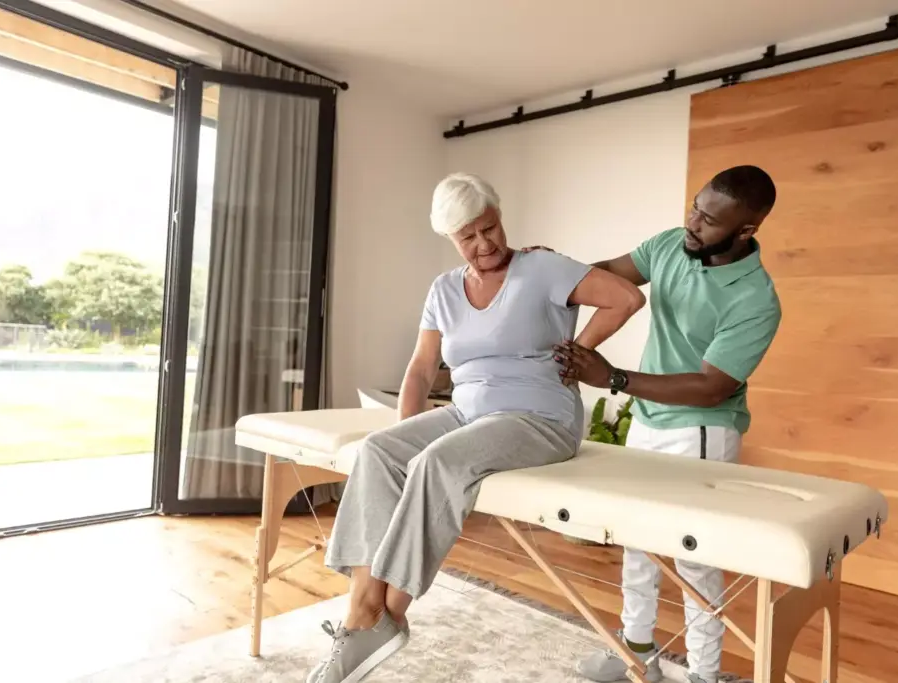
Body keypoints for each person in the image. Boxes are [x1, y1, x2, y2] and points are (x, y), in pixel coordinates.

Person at [309, 172, 647, 683]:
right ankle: (362, 612)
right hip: (467, 412)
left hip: (539, 417)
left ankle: (392, 612)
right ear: (450, 238)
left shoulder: (542, 267)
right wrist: (406, 432)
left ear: (499, 216)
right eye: (468, 237)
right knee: (378, 451)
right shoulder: (444, 289)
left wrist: (577, 354)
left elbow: (626, 297)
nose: (484, 243)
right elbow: (422, 369)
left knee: (437, 461)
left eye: (489, 227)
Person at [544, 165, 782, 683]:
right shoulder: (674, 243)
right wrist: (550, 271)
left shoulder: (755, 299)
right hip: (648, 420)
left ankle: (703, 673)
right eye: (694, 207)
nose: (693, 223)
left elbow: (711, 386)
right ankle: (637, 656)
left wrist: (614, 379)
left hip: (701, 430)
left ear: (746, 230)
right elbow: (608, 271)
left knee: (694, 560)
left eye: (709, 220)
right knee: (637, 543)